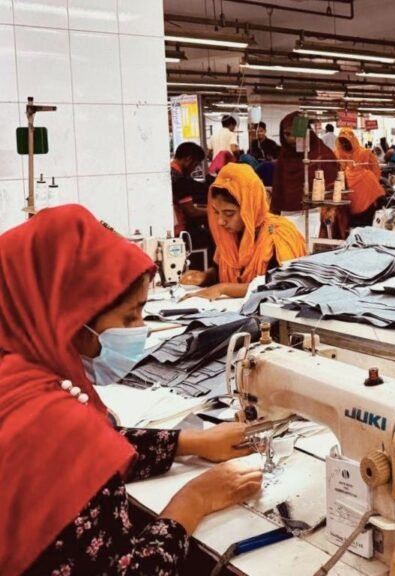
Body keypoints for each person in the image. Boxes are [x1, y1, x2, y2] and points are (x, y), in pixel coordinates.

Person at [0, 205, 262, 576]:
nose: (141, 329)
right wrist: (195, 500)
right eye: (129, 316)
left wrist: (193, 442)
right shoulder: (53, 423)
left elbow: (84, 453)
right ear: (69, 318)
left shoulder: (16, 376)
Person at [181, 163, 307, 299]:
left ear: (249, 208)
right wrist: (204, 276)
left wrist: (224, 289)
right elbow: (221, 270)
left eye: (229, 214)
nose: (220, 221)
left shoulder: (279, 235)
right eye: (216, 212)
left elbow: (279, 285)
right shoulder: (229, 235)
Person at [271, 111, 340, 241]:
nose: (291, 138)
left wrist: (331, 209)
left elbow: (335, 187)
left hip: (317, 216)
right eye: (286, 134)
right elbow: (278, 192)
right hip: (287, 218)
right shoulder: (283, 159)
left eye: (295, 134)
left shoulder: (321, 154)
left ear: (306, 132)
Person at [325, 128, 385, 238]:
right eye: (342, 142)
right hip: (345, 195)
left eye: (347, 141)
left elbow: (375, 171)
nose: (345, 144)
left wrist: (368, 186)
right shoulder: (336, 154)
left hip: (363, 192)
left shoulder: (365, 153)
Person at [170, 142, 208, 238]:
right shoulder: (180, 180)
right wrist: (212, 211)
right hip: (180, 232)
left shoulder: (169, 171)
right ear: (188, 159)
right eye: (195, 165)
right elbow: (191, 211)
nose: (194, 169)